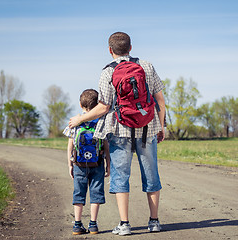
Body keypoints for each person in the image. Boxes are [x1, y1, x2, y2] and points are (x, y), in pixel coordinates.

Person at [68, 32, 166, 236]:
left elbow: (103, 107)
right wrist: (161, 125)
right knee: (151, 175)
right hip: (147, 127)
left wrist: (80, 119)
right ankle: (154, 221)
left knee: (121, 176)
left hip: (120, 129)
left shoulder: (107, 72)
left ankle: (125, 224)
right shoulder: (146, 66)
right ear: (131, 48)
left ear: (110, 50)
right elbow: (160, 100)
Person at [63, 89, 110, 235]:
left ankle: (77, 225)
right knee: (96, 193)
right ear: (97, 106)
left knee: (79, 193)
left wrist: (70, 163)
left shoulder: (75, 121)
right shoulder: (101, 122)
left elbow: (70, 145)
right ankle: (93, 225)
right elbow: (106, 145)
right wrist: (108, 163)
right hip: (97, 163)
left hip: (79, 164)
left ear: (80, 105)